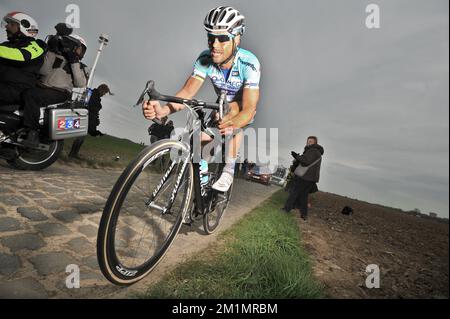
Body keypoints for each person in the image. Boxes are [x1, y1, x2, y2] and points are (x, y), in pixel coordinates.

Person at [142, 6, 261, 192]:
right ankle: (202, 179)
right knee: (197, 141)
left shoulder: (249, 63)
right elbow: (187, 92)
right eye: (210, 37)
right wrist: (163, 110)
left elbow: (250, 108)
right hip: (220, 104)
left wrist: (233, 123)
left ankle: (228, 171)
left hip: (239, 107)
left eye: (222, 38)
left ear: (236, 38)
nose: (214, 44)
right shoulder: (205, 59)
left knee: (232, 118)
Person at [20, 32, 89, 147]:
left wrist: (74, 61)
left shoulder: (82, 67)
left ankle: (32, 133)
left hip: (60, 92)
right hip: (41, 87)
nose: (79, 51)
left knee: (32, 95)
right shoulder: (55, 56)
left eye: (81, 49)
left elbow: (80, 83)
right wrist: (52, 51)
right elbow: (43, 71)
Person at [0, 12, 46, 107]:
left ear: (24, 28)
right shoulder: (6, 45)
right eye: (7, 24)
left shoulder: (35, 46)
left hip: (19, 89)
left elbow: (21, 56)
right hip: (4, 86)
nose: (7, 27)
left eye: (11, 24)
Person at [282, 136, 324, 220]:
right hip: (310, 178)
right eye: (308, 141)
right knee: (303, 196)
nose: (308, 142)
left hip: (305, 176)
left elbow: (306, 162)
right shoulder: (316, 152)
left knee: (294, 192)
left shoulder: (313, 150)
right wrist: (299, 157)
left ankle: (286, 209)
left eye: (311, 141)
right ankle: (304, 214)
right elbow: (307, 160)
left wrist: (296, 156)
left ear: (315, 143)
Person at [69, 83, 113, 158]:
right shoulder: (93, 96)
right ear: (101, 90)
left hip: (83, 117)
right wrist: (94, 122)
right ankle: (72, 154)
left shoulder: (91, 94)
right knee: (80, 137)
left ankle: (73, 154)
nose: (103, 94)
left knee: (81, 137)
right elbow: (91, 111)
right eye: (104, 93)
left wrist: (95, 120)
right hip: (85, 118)